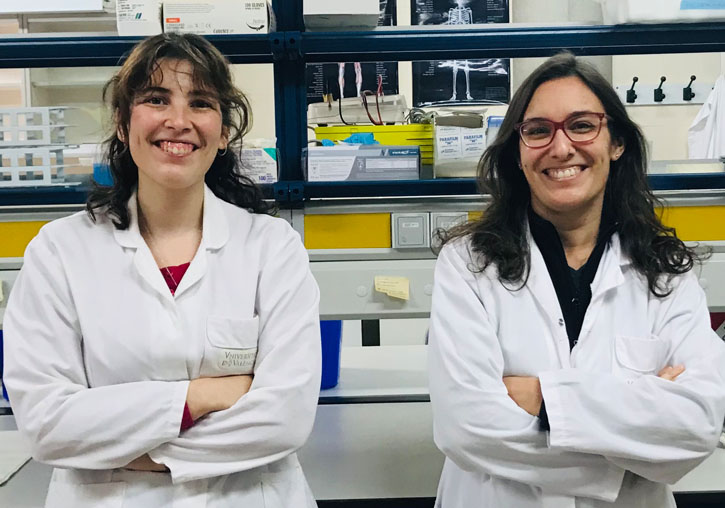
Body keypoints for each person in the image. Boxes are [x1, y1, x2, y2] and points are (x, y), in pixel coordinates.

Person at [3, 33, 321, 508]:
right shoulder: (60, 251)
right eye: (156, 99)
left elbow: (286, 417)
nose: (179, 121)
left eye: (201, 103)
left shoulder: (271, 248)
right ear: (122, 120)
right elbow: (48, 426)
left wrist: (123, 445)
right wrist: (201, 396)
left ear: (224, 131)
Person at [428, 52, 725, 508]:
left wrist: (545, 398)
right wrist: (636, 439)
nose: (561, 147)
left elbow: (699, 423)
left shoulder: (664, 271)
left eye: (582, 125)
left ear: (617, 142)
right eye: (538, 130)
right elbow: (466, 426)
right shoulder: (468, 265)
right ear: (519, 152)